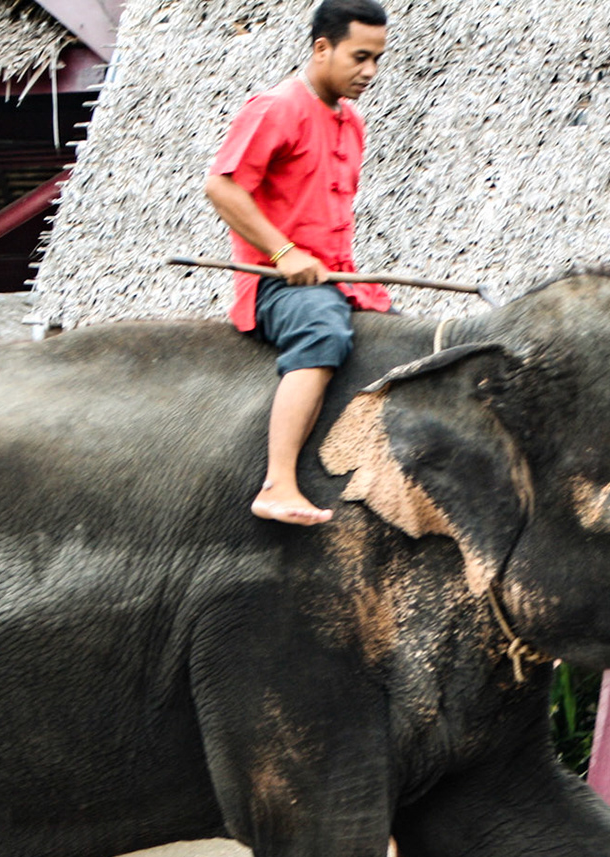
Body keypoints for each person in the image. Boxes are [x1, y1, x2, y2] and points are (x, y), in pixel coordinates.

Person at [204, 0, 392, 526]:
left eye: (377, 59)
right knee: (323, 332)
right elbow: (221, 186)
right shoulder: (276, 107)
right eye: (359, 57)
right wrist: (285, 254)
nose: (369, 72)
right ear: (321, 48)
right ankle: (277, 481)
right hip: (279, 286)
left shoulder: (351, 123)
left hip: (335, 280)